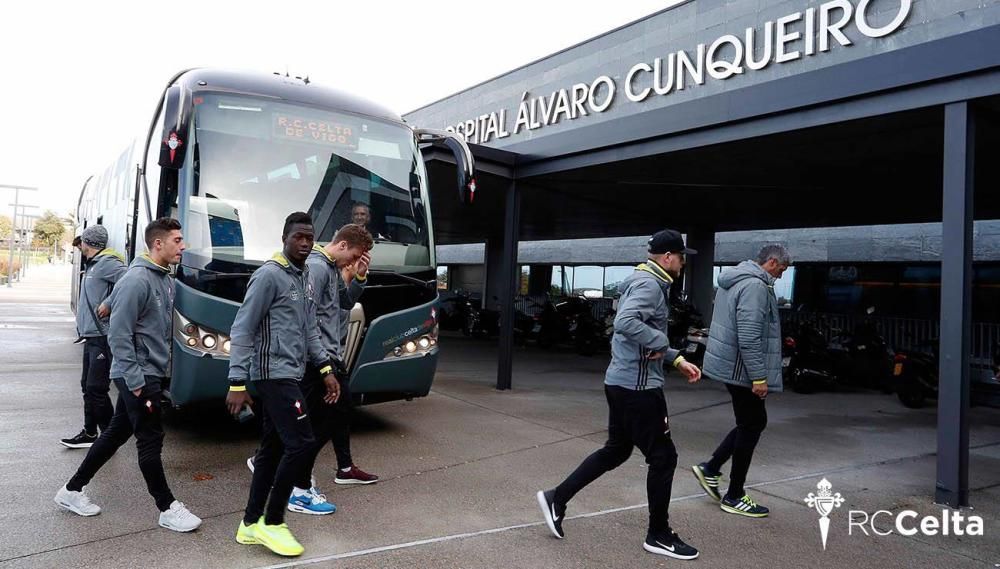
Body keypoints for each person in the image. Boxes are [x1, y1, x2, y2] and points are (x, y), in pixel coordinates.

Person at [536, 228, 703, 561]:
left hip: (622, 381)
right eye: (682, 257)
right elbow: (626, 323)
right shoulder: (650, 285)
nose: (684, 263)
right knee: (663, 458)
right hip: (638, 389)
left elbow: (632, 335)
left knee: (616, 450)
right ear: (668, 257)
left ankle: (557, 497)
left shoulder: (642, 281)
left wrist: (676, 358)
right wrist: (660, 345)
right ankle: (658, 535)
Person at [55, 218, 202, 534]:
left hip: (148, 371)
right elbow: (119, 336)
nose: (183, 246)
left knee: (114, 434)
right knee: (150, 439)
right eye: (177, 240)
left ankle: (71, 490)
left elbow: (115, 306)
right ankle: (167, 507)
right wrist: (135, 381)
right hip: (138, 374)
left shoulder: (161, 278)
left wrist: (109, 302)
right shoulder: (138, 279)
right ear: (158, 244)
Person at [225, 211, 339, 557]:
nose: (305, 243)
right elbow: (242, 328)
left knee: (272, 451)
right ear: (284, 238)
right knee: (302, 444)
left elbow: (309, 330)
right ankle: (272, 522)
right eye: (298, 237)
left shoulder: (304, 277)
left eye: (310, 237)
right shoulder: (268, 277)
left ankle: (249, 524)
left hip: (293, 372)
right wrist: (236, 381)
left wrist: (325, 368)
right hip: (271, 375)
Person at [691, 244, 791, 518]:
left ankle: (711, 469)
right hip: (742, 369)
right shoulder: (755, 287)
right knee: (753, 424)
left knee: (750, 423)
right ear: (772, 262)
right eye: (782, 269)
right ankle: (734, 495)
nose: (782, 275)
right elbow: (748, 334)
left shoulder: (736, 280)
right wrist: (758, 376)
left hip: (733, 365)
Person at [61, 226, 126, 449]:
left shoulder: (108, 263)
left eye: (82, 242)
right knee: (87, 387)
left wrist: (109, 303)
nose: (80, 246)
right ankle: (90, 433)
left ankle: (109, 437)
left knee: (96, 388)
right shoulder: (94, 264)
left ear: (88, 242)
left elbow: (130, 283)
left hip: (103, 336)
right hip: (91, 336)